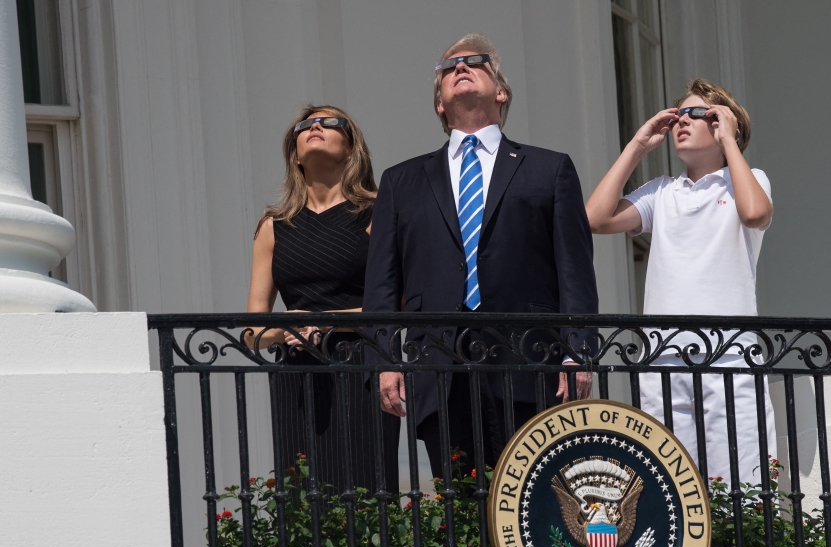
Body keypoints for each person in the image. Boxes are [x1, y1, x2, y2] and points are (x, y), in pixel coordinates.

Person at [363, 34, 599, 480]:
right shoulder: (402, 181)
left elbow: (575, 269)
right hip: (439, 367)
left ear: (501, 91)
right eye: (449, 67)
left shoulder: (549, 169)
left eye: (475, 62)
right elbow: (382, 284)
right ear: (439, 103)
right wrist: (384, 361)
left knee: (533, 507)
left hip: (529, 362)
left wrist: (578, 353)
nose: (461, 67)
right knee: (457, 514)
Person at [586, 79, 776, 489]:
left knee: (742, 492)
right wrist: (638, 144)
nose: (681, 123)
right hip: (663, 360)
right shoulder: (663, 192)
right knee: (670, 491)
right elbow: (596, 218)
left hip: (729, 357)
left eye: (696, 115)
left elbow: (756, 213)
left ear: (724, 125)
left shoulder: (748, 178)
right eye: (678, 116)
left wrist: (730, 142)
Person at [246, 105, 400, 494]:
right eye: (305, 125)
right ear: (296, 154)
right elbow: (252, 331)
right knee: (302, 501)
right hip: (297, 375)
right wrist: (283, 333)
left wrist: (330, 320)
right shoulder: (273, 227)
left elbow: (396, 306)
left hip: (361, 366)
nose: (316, 126)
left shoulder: (378, 213)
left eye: (331, 123)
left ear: (351, 149)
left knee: (365, 494)